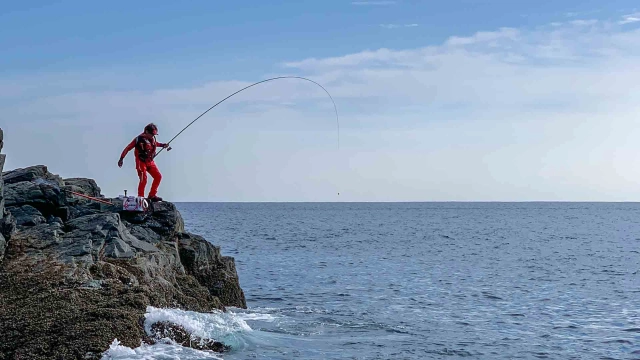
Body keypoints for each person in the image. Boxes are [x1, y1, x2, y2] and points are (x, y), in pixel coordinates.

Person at [118, 123, 171, 202]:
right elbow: (128, 148)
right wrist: (121, 158)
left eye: (154, 135)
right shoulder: (138, 139)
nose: (153, 136)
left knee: (158, 176)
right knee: (144, 179)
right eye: (152, 134)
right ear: (146, 131)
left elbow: (155, 144)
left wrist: (163, 145)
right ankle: (141, 198)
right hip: (141, 162)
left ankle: (152, 195)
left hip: (150, 162)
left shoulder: (152, 139)